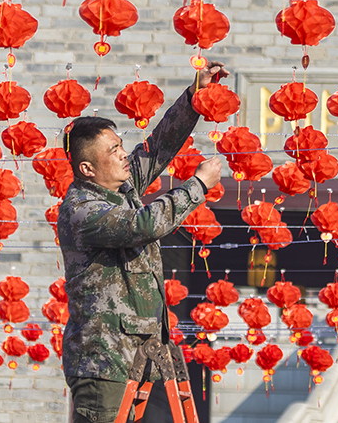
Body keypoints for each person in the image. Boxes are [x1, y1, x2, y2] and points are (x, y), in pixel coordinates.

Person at [58, 61, 226, 423]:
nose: (123, 155)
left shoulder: (122, 185)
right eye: (113, 151)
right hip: (104, 361)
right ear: (87, 168)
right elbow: (145, 223)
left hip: (137, 358)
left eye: (121, 146)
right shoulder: (82, 210)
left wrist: (195, 95)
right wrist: (197, 186)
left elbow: (158, 147)